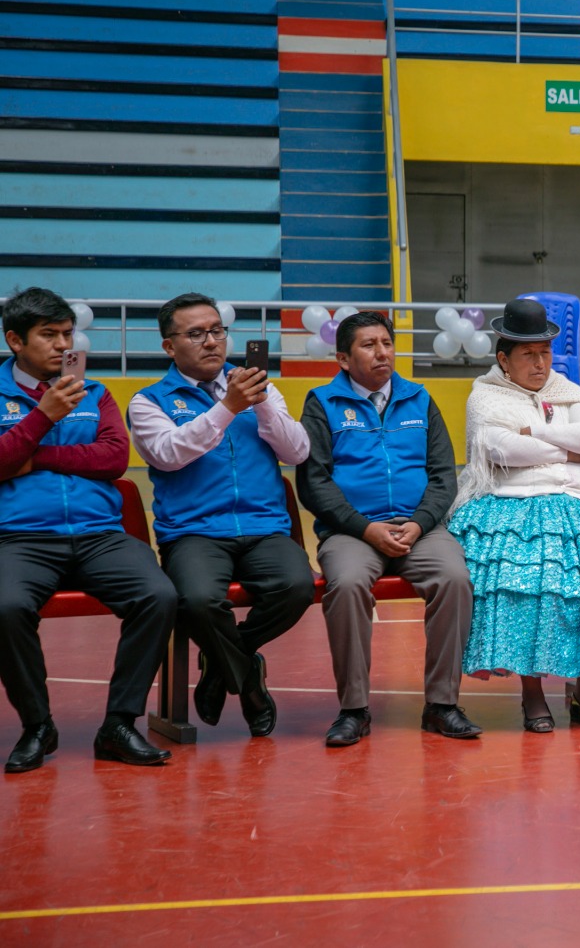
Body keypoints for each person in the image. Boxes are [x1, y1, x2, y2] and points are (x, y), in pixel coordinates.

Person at [448, 299, 580, 731]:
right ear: (504, 359)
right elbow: (499, 449)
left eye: (544, 352)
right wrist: (566, 448)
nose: (540, 363)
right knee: (532, 586)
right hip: (515, 508)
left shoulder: (565, 390)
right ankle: (532, 694)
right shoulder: (485, 397)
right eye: (528, 354)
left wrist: (533, 433)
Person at [0, 287, 178, 771]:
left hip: (100, 534)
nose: (63, 345)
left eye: (67, 334)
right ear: (16, 340)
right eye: (48, 335)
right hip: (18, 538)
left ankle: (119, 725)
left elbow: (113, 459)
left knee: (158, 596)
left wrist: (33, 457)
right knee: (5, 606)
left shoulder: (95, 393)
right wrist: (42, 417)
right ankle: (38, 725)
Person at [129, 293, 315, 736]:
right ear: (169, 347)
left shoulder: (261, 391)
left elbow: (298, 450)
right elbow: (168, 454)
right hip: (194, 532)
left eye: (217, 331)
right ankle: (248, 679)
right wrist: (227, 407)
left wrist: (261, 400)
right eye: (195, 334)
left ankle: (221, 663)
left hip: (264, 526)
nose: (211, 341)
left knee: (297, 587)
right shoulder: (149, 401)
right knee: (195, 600)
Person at [298, 311, 480, 747]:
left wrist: (419, 525)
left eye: (386, 343)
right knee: (344, 584)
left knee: (455, 579)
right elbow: (314, 482)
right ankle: (354, 709)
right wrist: (364, 529)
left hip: (420, 528)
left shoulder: (419, 398)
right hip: (352, 531)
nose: (382, 353)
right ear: (343, 357)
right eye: (368, 345)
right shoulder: (322, 403)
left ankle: (441, 704)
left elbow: (443, 476)